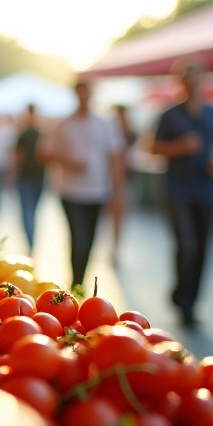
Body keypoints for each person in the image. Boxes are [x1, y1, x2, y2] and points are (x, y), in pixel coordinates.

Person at [149, 59, 213, 327]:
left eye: (197, 78)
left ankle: (190, 299)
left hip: (206, 189)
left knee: (203, 248)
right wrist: (179, 147)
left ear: (204, 80)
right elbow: (154, 148)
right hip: (177, 189)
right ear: (181, 83)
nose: (192, 84)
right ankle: (183, 300)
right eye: (187, 79)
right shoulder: (170, 115)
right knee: (187, 245)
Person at [40, 80, 125, 292]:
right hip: (71, 191)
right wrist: (69, 161)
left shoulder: (105, 123)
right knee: (77, 237)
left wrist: (117, 192)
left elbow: (115, 157)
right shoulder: (64, 124)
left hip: (98, 192)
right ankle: (76, 282)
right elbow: (45, 152)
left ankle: (80, 279)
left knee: (89, 240)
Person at [14, 103, 46, 253]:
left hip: (31, 178)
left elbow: (17, 156)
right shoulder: (38, 133)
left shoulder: (31, 133)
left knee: (28, 213)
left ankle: (31, 242)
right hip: (32, 177)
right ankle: (31, 242)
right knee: (31, 213)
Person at [109, 103, 137, 263]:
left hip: (126, 179)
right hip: (114, 180)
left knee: (120, 215)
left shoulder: (130, 134)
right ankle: (114, 247)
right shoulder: (113, 134)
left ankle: (116, 247)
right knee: (115, 216)